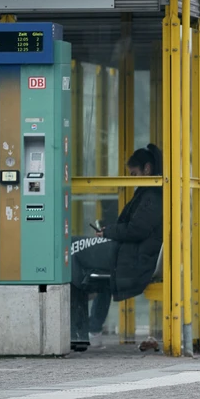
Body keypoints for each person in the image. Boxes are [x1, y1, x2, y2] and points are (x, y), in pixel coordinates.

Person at [70, 144, 164, 350]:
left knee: (72, 250)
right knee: (91, 267)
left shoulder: (153, 196)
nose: (131, 179)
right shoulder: (151, 192)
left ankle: (78, 333)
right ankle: (89, 329)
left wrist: (108, 232)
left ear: (147, 169)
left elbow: (136, 230)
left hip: (132, 256)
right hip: (129, 253)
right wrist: (109, 231)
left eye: (134, 174)